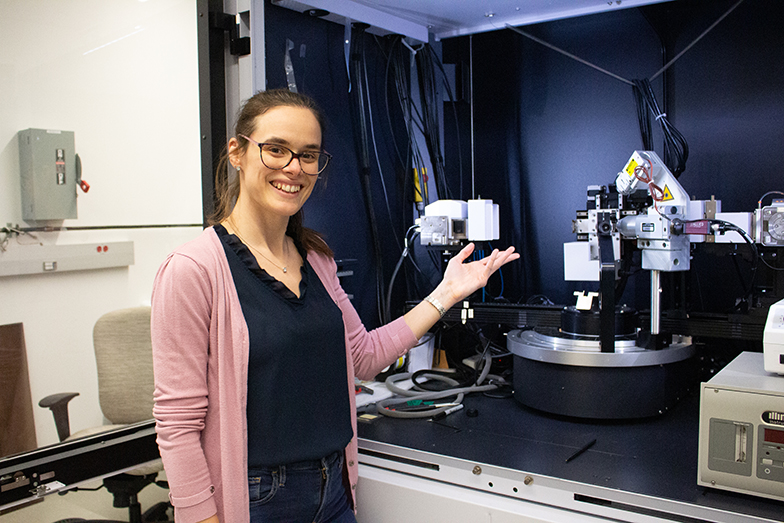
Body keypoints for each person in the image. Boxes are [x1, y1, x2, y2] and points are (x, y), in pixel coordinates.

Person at [150, 88, 518, 523]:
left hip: (335, 489)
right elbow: (177, 423)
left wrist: (447, 293)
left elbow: (363, 356)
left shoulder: (316, 259)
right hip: (257, 500)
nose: (294, 168)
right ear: (237, 152)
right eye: (276, 150)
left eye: (308, 155)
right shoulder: (193, 270)